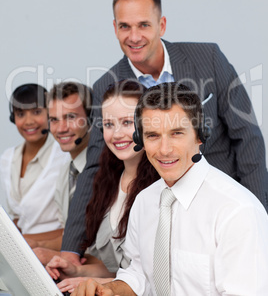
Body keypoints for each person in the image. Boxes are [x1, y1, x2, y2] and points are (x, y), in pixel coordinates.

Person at [61, 0, 268, 264]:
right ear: (114, 28)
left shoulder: (208, 59)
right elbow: (95, 166)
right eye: (124, 27)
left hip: (221, 203)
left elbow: (247, 137)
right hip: (158, 214)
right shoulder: (107, 86)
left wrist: (258, 213)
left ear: (162, 24)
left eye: (143, 25)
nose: (134, 36)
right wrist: (71, 250)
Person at [72, 82, 268, 296]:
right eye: (153, 136)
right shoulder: (145, 201)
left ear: (200, 135)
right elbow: (139, 274)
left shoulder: (237, 211)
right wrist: (108, 289)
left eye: (176, 133)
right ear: (140, 140)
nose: (164, 150)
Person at [46, 80, 159, 294]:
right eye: (108, 124)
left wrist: (97, 282)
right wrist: (77, 271)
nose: (116, 134)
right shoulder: (106, 181)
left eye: (127, 122)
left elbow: (153, 278)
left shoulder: (161, 187)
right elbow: (115, 268)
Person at [29, 82, 93, 265]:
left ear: (92, 117)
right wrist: (35, 244)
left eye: (71, 117)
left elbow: (106, 253)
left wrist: (48, 254)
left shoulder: (105, 172)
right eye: (54, 119)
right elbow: (70, 235)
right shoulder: (66, 171)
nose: (61, 129)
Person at [0, 83, 69, 242]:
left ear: (50, 114)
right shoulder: (8, 158)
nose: (28, 121)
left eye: (36, 112)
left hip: (54, 251)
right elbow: (18, 219)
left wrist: (23, 240)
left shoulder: (64, 156)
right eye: (20, 114)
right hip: (23, 250)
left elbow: (73, 228)